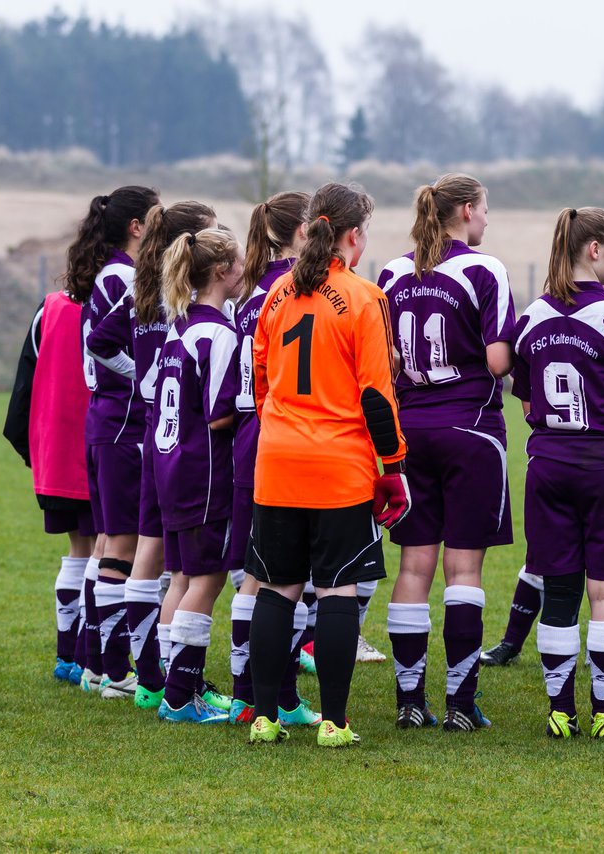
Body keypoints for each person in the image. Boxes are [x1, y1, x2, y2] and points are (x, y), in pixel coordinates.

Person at [246, 182, 409, 748]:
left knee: (277, 590)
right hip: (338, 467)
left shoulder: (274, 296)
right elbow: (375, 396)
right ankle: (335, 724)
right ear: (353, 234)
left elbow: (260, 382)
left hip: (279, 462)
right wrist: (392, 466)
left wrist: (283, 429)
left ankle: (264, 717)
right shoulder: (365, 298)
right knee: (337, 592)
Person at [512, 207, 604, 739]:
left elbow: (528, 400)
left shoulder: (530, 317)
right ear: (593, 250)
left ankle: (560, 712)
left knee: (558, 591)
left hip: (548, 466)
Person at [481, 262, 604, 667]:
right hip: (587, 456)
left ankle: (597, 653)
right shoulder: (563, 324)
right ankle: (513, 642)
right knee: (548, 566)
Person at [377, 173, 515, 731]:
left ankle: (410, 700)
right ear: (463, 211)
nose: (487, 220)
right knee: (463, 568)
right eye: (484, 209)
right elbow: (500, 361)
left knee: (413, 566)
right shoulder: (486, 269)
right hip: (471, 429)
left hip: (409, 431)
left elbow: (385, 358)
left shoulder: (391, 272)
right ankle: (460, 702)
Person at [87, 200, 219, 711]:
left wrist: (141, 379)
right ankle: (160, 676)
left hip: (149, 433)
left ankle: (146, 677)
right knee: (176, 561)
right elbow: (101, 345)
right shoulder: (181, 298)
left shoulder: (144, 289)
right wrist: (146, 377)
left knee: (147, 552)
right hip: (182, 439)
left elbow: (100, 341)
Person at [227, 190, 321, 728]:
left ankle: (252, 693)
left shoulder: (249, 295)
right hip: (285, 437)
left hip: (251, 440)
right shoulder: (294, 290)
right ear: (304, 232)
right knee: (284, 577)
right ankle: (277, 695)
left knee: (257, 575)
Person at [149, 227, 244, 723]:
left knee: (183, 576)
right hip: (203, 470)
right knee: (206, 581)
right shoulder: (220, 333)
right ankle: (180, 697)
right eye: (240, 262)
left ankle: (175, 684)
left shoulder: (177, 326)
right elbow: (218, 414)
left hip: (169, 465)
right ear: (221, 271)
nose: (245, 269)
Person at [67, 185, 159, 697]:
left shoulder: (108, 274)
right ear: (137, 227)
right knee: (120, 545)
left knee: (106, 544)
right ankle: (115, 670)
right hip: (122, 422)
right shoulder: (127, 277)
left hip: (103, 420)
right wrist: (140, 376)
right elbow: (104, 347)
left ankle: (92, 661)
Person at [3, 282, 95, 686]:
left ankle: (69, 655)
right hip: (106, 445)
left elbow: (24, 384)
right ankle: (97, 658)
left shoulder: (52, 306)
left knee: (80, 549)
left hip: (57, 452)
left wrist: (32, 450)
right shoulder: (125, 300)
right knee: (109, 552)